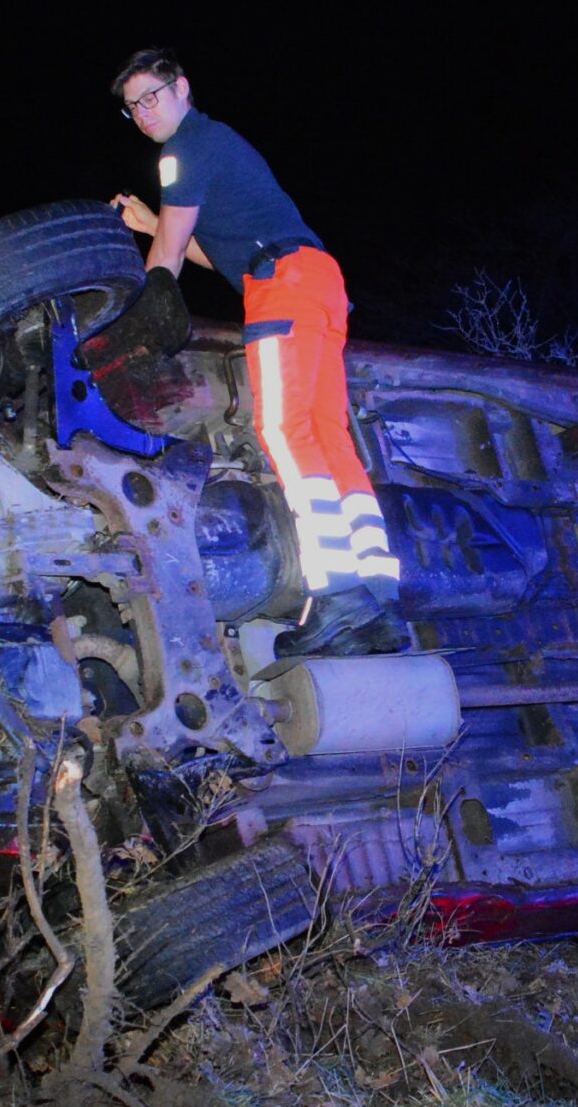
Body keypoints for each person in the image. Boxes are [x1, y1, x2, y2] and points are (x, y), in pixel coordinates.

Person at [106, 47, 405, 659]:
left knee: (284, 430)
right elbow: (218, 260)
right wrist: (154, 227)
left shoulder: (183, 150)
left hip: (282, 288)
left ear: (181, 87)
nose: (143, 113)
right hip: (317, 280)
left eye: (151, 97)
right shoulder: (216, 145)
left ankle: (336, 592)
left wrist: (129, 321)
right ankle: (378, 597)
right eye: (132, 107)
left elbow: (166, 259)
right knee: (327, 434)